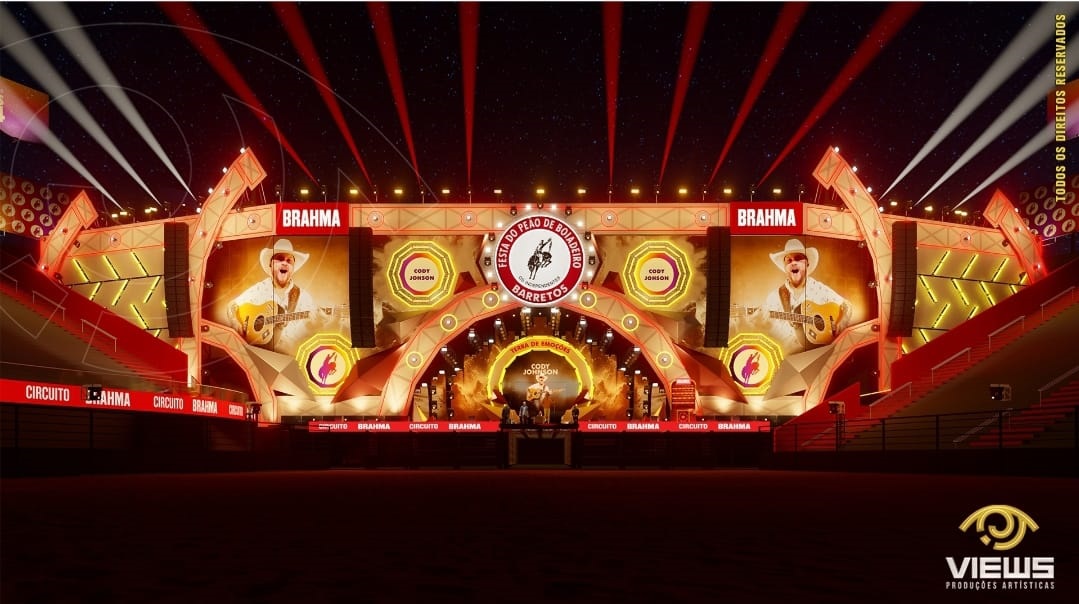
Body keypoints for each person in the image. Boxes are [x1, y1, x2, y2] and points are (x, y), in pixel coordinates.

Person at [227, 239, 331, 355]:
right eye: (280, 259)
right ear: (271, 265)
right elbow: (232, 305)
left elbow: (313, 335)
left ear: (292, 268)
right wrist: (235, 321)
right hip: (258, 354)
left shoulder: (303, 297)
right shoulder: (259, 289)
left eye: (289, 261)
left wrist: (315, 325)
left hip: (289, 357)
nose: (285, 263)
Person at [751, 239, 852, 352]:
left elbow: (847, 305)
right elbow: (761, 326)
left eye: (798, 258)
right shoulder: (774, 297)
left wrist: (842, 322)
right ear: (785, 267)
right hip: (787, 355)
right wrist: (759, 322)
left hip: (817, 353)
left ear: (807, 264)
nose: (793, 263)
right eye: (788, 260)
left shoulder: (819, 288)